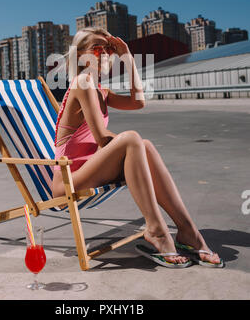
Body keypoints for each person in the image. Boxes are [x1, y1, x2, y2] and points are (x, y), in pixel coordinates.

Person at [52, 27, 223, 268]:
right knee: (133, 140)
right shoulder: (82, 81)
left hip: (90, 170)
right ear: (80, 55)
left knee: (145, 145)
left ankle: (188, 231)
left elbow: (138, 102)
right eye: (97, 49)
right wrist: (127, 146)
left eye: (108, 50)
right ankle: (157, 230)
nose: (104, 55)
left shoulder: (101, 89)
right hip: (69, 180)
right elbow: (102, 139)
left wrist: (128, 56)